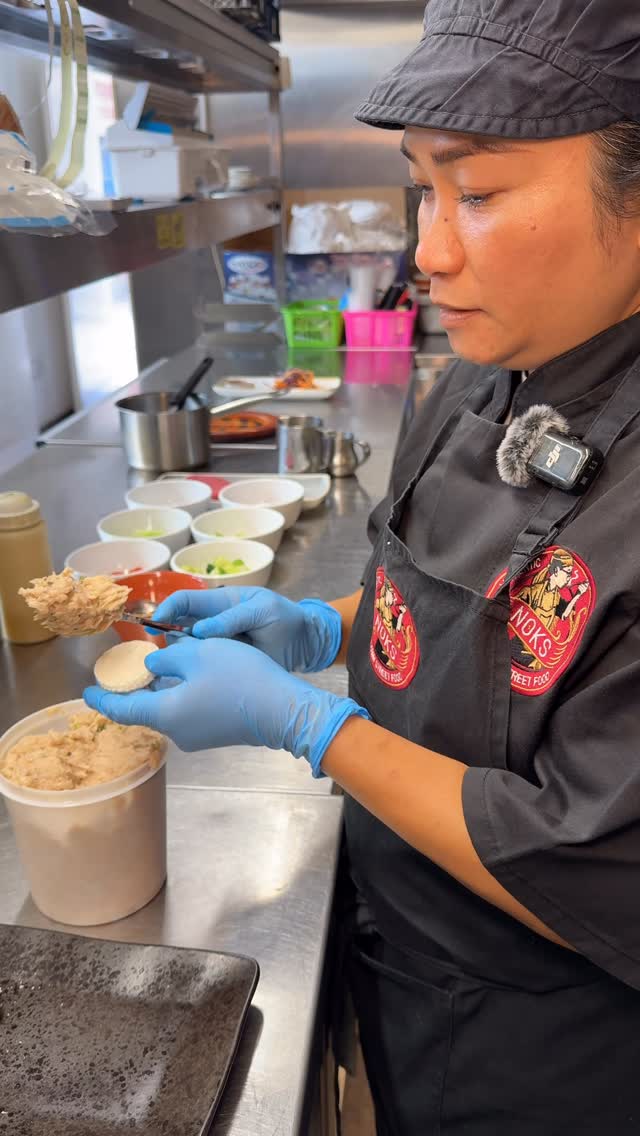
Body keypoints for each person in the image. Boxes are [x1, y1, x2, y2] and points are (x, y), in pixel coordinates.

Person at [86, 0, 640, 1130]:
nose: (427, 251)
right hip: (405, 937)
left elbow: (593, 858)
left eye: (475, 193)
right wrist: (322, 626)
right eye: (423, 188)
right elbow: (464, 589)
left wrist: (310, 724)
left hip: (534, 1036)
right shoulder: (495, 363)